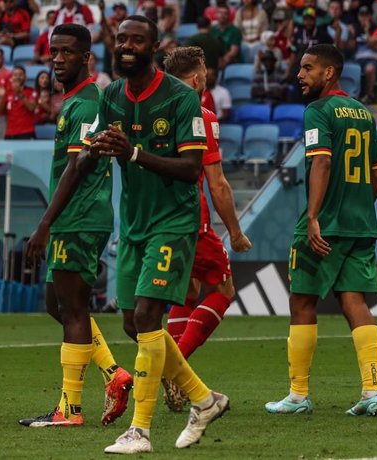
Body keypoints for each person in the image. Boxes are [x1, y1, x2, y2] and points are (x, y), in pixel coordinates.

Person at [85, 16, 228, 453]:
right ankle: (204, 399)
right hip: (134, 223)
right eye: (121, 38)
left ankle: (139, 430)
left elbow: (190, 171)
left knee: (148, 317)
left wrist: (135, 152)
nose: (126, 45)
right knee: (132, 322)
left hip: (174, 221)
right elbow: (94, 151)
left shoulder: (183, 99)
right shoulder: (111, 95)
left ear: (154, 46)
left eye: (136, 39)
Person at [19, 23, 132, 428]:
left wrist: (45, 223)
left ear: (87, 57)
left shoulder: (86, 104)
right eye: (54, 52)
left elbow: (79, 164)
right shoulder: (75, 102)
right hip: (74, 217)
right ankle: (113, 374)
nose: (58, 59)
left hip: (78, 218)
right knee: (59, 303)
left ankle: (70, 408)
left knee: (71, 308)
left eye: (67, 52)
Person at [265, 44, 377, 416]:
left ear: (329, 73)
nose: (299, 75)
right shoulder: (364, 113)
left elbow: (321, 163)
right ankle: (372, 392)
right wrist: (359, 205)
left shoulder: (317, 111)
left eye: (307, 68)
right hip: (359, 224)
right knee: (355, 302)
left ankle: (298, 395)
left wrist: (314, 216)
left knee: (302, 301)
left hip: (324, 225)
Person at [162, 45, 252, 412]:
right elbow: (217, 183)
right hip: (189, 217)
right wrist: (234, 231)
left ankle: (173, 373)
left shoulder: (151, 111)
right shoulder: (201, 116)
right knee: (223, 288)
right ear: (199, 78)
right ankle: (175, 369)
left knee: (186, 292)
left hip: (153, 218)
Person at [352, 5, 377, 104]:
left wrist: (367, 32)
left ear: (370, 16)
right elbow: (350, 47)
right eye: (362, 15)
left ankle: (369, 94)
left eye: (366, 15)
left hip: (373, 58)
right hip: (358, 59)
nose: (364, 18)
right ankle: (355, 95)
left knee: (369, 69)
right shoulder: (355, 28)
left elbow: (375, 46)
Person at [0, 65, 36, 139]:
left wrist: (19, 94)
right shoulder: (7, 92)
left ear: (25, 77)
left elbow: (32, 108)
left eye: (20, 74)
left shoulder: (31, 91)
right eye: (15, 75)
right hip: (10, 133)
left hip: (26, 132)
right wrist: (1, 97)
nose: (18, 77)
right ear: (12, 77)